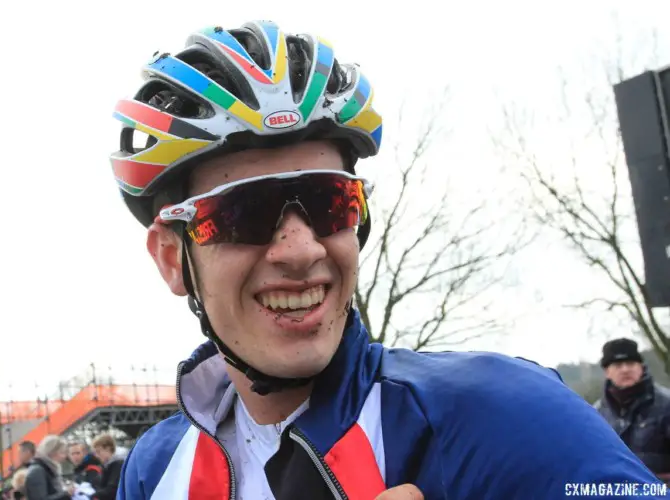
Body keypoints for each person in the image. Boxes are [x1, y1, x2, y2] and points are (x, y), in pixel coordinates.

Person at [110, 20, 666, 499]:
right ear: (170, 258)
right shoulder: (156, 469)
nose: (302, 250)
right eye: (243, 213)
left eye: (332, 202)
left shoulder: (508, 416)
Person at [594, 338, 670, 481]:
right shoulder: (597, 413)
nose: (625, 369)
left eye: (630, 363)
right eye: (617, 365)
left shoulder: (666, 404)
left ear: (641, 366)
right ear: (607, 372)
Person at [24, 436, 74, 500]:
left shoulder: (48, 469)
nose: (64, 456)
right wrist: (66, 494)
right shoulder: (38, 471)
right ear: (52, 453)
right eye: (62, 452)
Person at [89, 435, 123, 500]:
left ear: (108, 448)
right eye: (95, 453)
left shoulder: (118, 465)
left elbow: (113, 489)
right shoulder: (107, 466)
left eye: (98, 451)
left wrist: (94, 495)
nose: (97, 456)